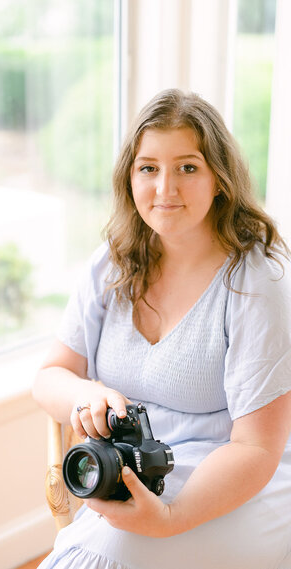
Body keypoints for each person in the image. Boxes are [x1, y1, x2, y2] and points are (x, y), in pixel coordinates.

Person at [32, 89, 291, 569]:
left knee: (108, 557)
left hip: (237, 482)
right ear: (129, 177)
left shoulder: (257, 280)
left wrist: (169, 517)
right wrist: (85, 396)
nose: (165, 189)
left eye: (187, 168)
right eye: (148, 168)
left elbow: (257, 448)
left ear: (220, 179)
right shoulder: (111, 264)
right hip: (137, 474)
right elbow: (50, 376)